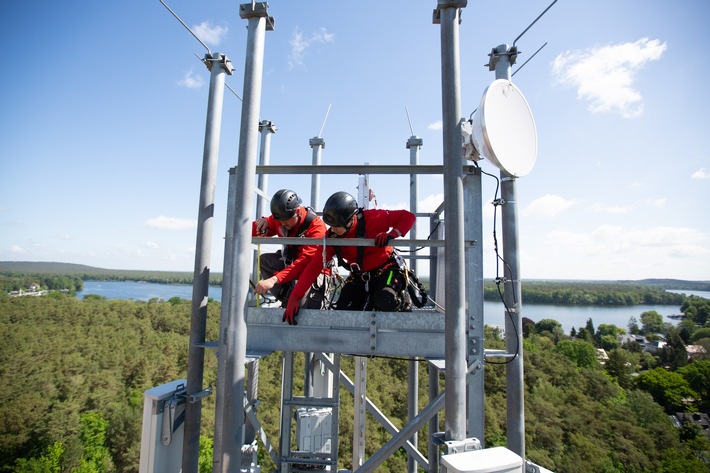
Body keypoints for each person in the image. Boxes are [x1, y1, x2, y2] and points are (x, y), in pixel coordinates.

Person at [282, 191, 420, 324]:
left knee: (385, 299)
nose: (333, 230)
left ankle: (403, 300)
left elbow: (407, 217)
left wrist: (393, 234)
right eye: (331, 226)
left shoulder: (373, 218)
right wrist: (296, 295)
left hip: (387, 270)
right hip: (360, 276)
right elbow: (314, 266)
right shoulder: (332, 237)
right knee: (344, 312)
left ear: (350, 220)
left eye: (337, 226)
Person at [251, 189, 329, 316]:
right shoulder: (283, 217)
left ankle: (298, 300)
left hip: (312, 270)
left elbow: (306, 262)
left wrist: (273, 280)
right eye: (280, 220)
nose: (282, 224)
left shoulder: (316, 226)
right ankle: (288, 299)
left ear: (297, 211)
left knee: (303, 312)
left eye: (286, 220)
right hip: (293, 265)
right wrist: (262, 223)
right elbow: (254, 230)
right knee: (265, 261)